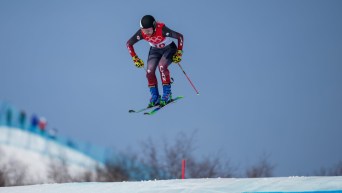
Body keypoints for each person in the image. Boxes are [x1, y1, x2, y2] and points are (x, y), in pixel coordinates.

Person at [126, 15, 184, 107]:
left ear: (154, 26)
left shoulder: (162, 30)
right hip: (155, 50)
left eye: (148, 30)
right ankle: (155, 96)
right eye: (144, 31)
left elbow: (180, 37)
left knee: (161, 66)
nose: (146, 33)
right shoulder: (141, 33)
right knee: (149, 71)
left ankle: (167, 94)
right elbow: (129, 44)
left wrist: (179, 52)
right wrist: (135, 58)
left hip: (169, 48)